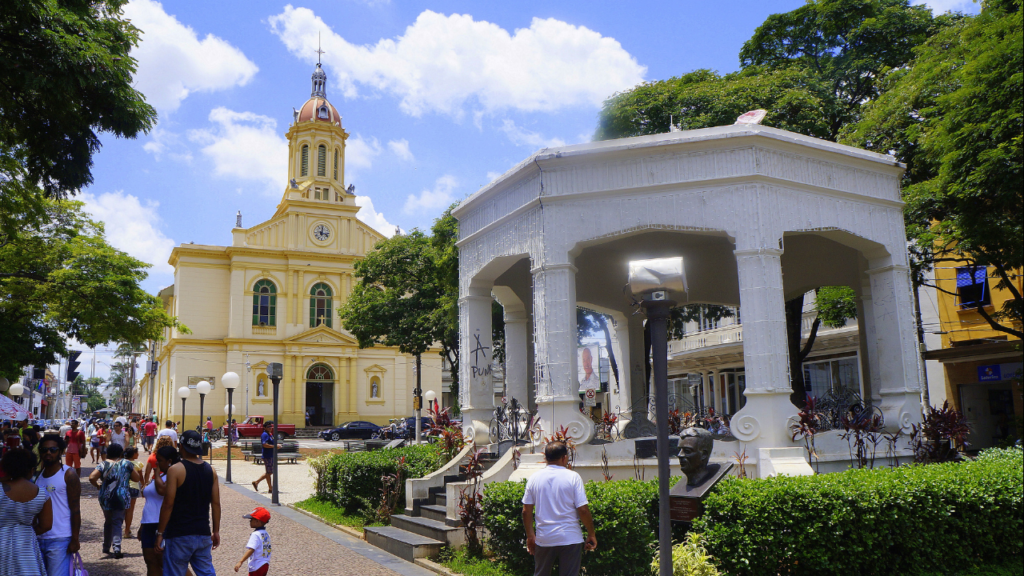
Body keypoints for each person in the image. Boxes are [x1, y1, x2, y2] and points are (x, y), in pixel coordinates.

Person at [522, 441, 597, 576]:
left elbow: (526, 511)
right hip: (570, 537)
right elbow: (583, 510)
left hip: (544, 538)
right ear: (564, 458)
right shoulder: (573, 477)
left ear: (545, 457)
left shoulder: (534, 478)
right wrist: (591, 533)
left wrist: (530, 536)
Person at [157, 430, 221, 576]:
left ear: (181, 446)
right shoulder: (211, 470)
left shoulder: (175, 470)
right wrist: (216, 531)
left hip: (179, 532)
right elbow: (216, 503)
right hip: (203, 531)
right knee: (206, 573)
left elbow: (168, 504)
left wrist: (160, 532)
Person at [0, 448, 53, 576]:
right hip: (26, 541)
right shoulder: (42, 494)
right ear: (31, 470)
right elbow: (46, 525)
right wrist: (24, 530)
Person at [34, 434, 81, 576]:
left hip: (60, 538)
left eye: (53, 449)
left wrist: (75, 539)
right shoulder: (37, 476)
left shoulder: (69, 474)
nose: (48, 453)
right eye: (44, 450)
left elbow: (75, 509)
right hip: (38, 537)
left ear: (60, 452)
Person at [89, 443, 140, 559]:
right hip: (121, 496)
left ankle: (106, 546)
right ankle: (117, 548)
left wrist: (98, 485)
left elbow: (92, 477)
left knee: (108, 521)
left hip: (106, 497)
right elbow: (136, 478)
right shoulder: (126, 463)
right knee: (117, 521)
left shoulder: (103, 464)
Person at [141, 445, 177, 576]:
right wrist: (142, 526)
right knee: (150, 561)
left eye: (160, 461)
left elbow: (162, 490)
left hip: (161, 523)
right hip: (148, 522)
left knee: (166, 562)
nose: (157, 464)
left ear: (169, 461)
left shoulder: (172, 476)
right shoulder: (161, 476)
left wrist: (156, 472)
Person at [234, 507, 271, 575]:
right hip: (265, 564)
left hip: (256, 566)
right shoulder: (266, 534)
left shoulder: (255, 534)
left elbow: (251, 549)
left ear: (257, 521)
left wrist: (240, 561)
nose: (250, 521)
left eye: (251, 520)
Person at [124, 446, 144, 539]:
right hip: (134, 488)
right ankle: (127, 530)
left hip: (123, 487)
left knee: (123, 509)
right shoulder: (138, 464)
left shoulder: (122, 463)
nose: (138, 454)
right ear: (133, 454)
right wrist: (143, 486)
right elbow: (141, 478)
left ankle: (122, 528)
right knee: (130, 511)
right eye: (137, 452)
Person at [251, 422, 275, 494]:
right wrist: (274, 446)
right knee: (269, 472)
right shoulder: (264, 435)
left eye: (271, 426)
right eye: (268, 427)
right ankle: (269, 488)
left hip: (271, 455)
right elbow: (264, 444)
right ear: (264, 428)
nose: (270, 428)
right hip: (267, 455)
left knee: (269, 472)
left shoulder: (270, 434)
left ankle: (258, 483)